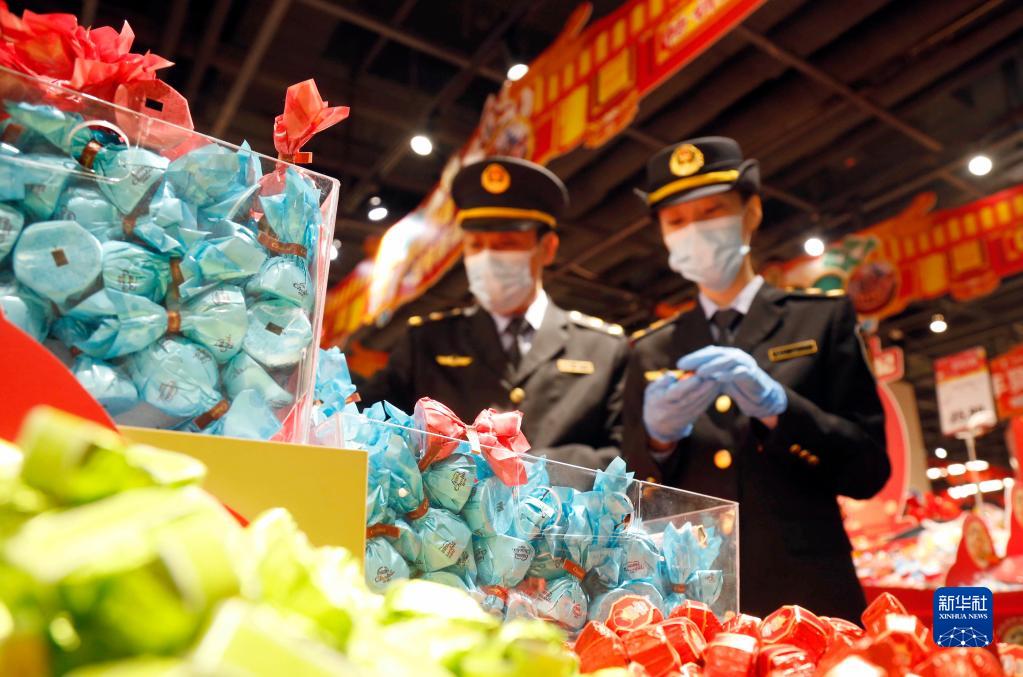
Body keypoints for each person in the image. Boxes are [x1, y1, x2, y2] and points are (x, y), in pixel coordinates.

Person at [623, 137, 889, 620]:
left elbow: (868, 470)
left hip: (806, 590)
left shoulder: (820, 319)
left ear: (752, 212)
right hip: (691, 597)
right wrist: (658, 442)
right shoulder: (651, 349)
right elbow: (630, 494)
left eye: (712, 212)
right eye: (677, 221)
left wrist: (783, 412)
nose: (694, 230)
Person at [361, 157, 629, 470]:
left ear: (547, 248)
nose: (488, 257)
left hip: (563, 502)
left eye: (507, 244)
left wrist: (530, 468)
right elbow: (372, 422)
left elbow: (625, 453)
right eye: (476, 245)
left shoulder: (604, 349)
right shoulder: (426, 342)